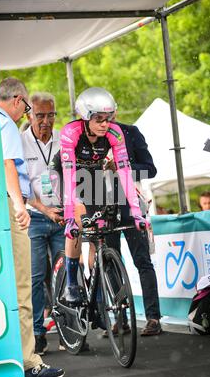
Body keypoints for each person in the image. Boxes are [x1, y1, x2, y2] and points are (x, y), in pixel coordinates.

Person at [0, 77, 64, 377]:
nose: (39, 118)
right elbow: (10, 165)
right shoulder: (10, 127)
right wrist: (21, 204)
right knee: (29, 283)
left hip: (40, 215)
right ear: (18, 101)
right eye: (29, 108)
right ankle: (29, 356)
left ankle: (36, 344)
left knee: (49, 277)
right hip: (26, 214)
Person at [56, 87, 147, 305]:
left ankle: (96, 295)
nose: (105, 124)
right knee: (77, 222)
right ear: (85, 117)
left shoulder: (115, 134)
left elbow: (125, 172)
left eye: (108, 118)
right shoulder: (70, 132)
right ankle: (71, 284)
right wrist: (69, 216)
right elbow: (68, 176)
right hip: (65, 175)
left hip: (92, 175)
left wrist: (137, 214)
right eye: (99, 119)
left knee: (99, 232)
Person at [104, 123, 162, 336]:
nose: (104, 120)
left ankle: (153, 318)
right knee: (110, 264)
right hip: (103, 206)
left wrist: (121, 167)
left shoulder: (130, 132)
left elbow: (150, 168)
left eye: (108, 114)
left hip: (131, 207)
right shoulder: (88, 136)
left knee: (143, 262)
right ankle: (121, 318)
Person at [21, 92, 65, 355]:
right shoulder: (21, 142)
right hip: (36, 217)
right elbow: (22, 188)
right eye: (40, 115)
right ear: (29, 115)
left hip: (61, 216)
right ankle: (38, 333)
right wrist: (45, 210)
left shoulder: (63, 139)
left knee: (65, 275)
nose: (46, 121)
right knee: (37, 278)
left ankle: (68, 325)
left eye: (50, 115)